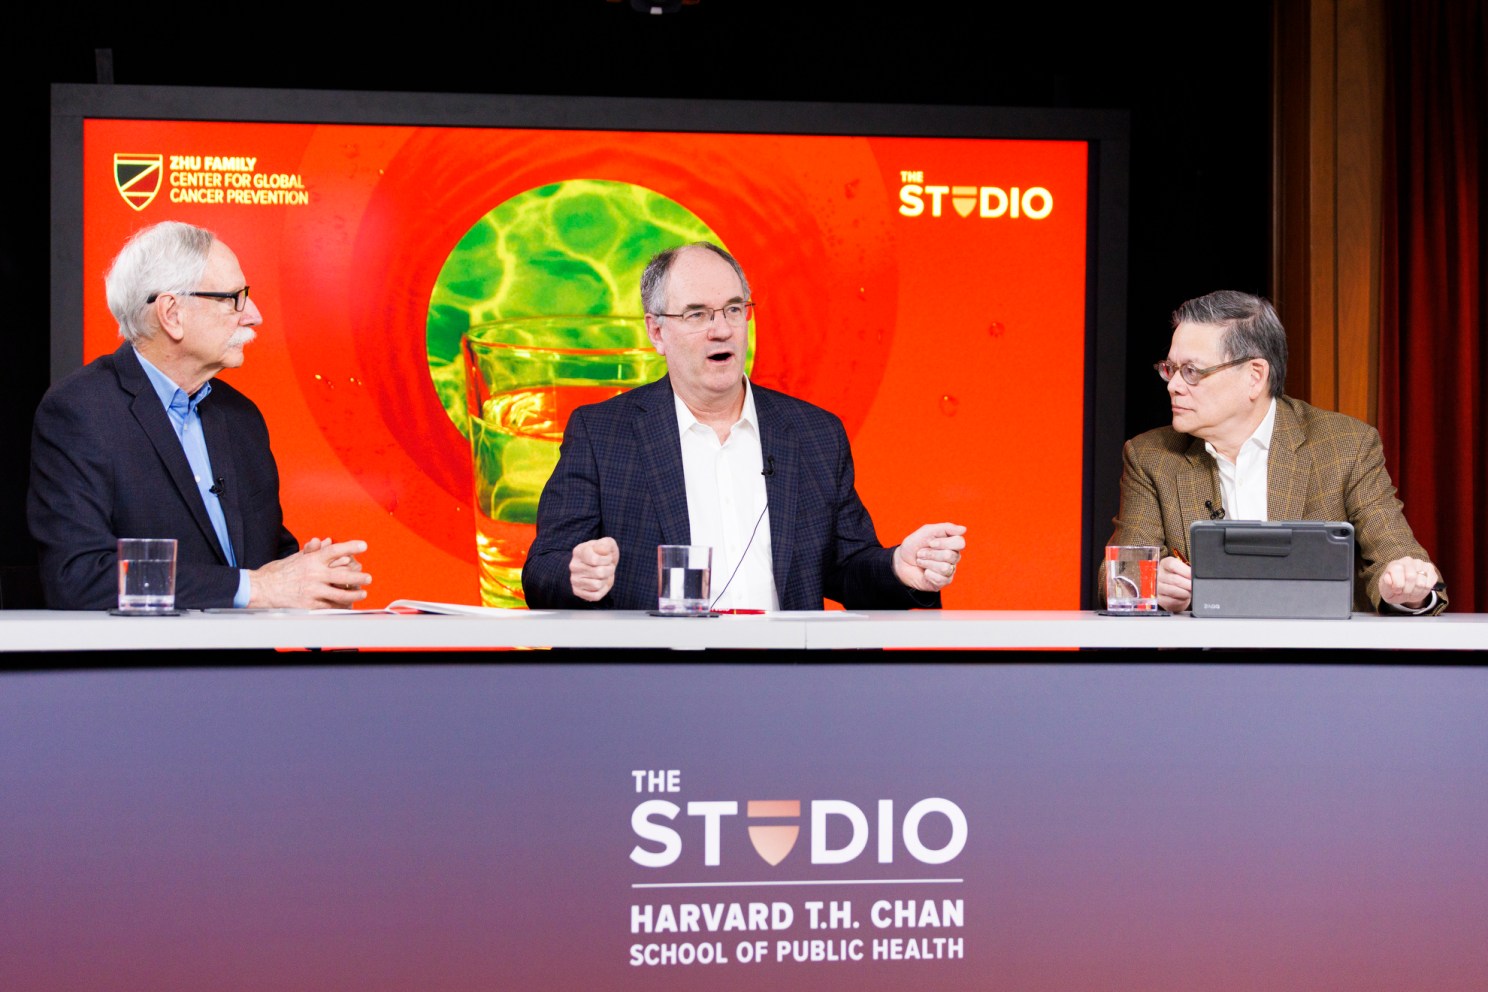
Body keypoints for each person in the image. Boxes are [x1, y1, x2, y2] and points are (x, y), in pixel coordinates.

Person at [521, 241, 966, 611]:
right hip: (657, 680)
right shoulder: (603, 435)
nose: (721, 330)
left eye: (733, 309)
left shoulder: (813, 434)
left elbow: (848, 568)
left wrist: (898, 569)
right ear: (656, 332)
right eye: (697, 314)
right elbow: (542, 570)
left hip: (784, 678)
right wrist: (577, 575)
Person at [28, 221, 372, 610]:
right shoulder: (81, 411)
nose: (254, 315)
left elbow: (262, 561)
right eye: (234, 299)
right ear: (172, 313)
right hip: (149, 651)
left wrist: (312, 575)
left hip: (249, 651)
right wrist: (256, 588)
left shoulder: (241, 417)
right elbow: (78, 577)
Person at [1106, 289, 1446, 615]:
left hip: (1315, 653)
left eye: (1192, 371)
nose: (1174, 385)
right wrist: (1153, 585)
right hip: (1204, 653)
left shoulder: (1345, 447)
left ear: (1255, 376)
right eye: (1170, 369)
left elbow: (1398, 558)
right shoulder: (1151, 456)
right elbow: (1120, 579)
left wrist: (1405, 589)